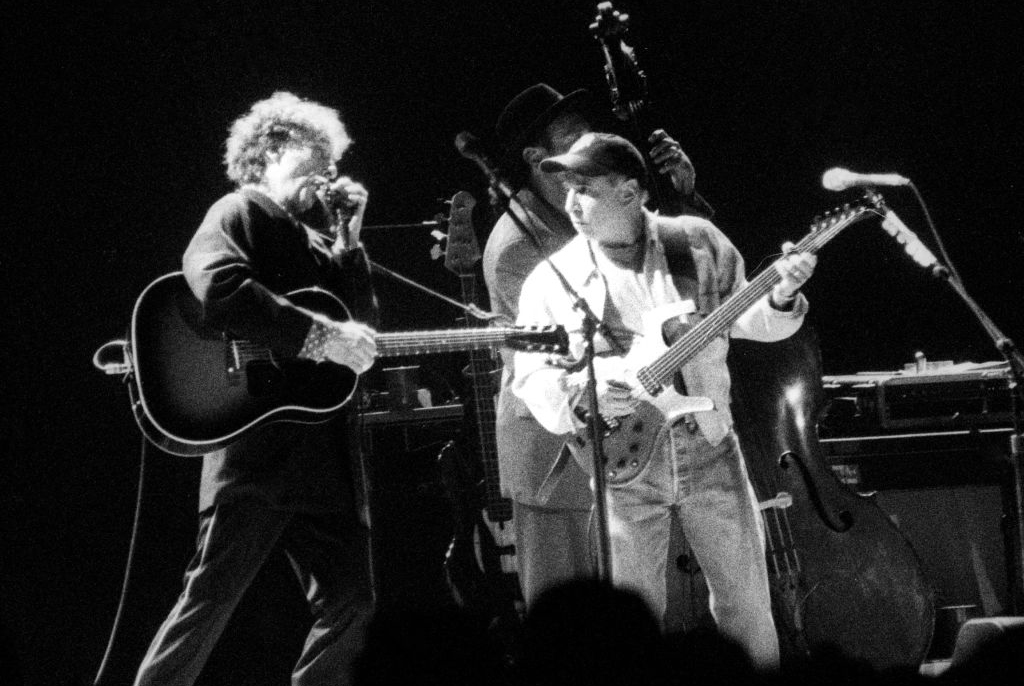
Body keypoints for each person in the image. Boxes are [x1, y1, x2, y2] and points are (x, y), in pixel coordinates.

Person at [511, 132, 817, 670]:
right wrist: (588, 395)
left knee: (746, 604)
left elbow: (752, 321)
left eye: (585, 189)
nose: (571, 203)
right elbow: (532, 378)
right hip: (624, 465)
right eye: (567, 190)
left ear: (630, 192)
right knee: (630, 619)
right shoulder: (551, 279)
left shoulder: (694, 242)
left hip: (711, 448)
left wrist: (783, 293)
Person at [134, 91, 379, 686]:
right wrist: (316, 337)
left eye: (330, 158)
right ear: (267, 153)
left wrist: (350, 242)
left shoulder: (320, 242)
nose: (324, 168)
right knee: (209, 603)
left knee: (354, 603)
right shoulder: (237, 211)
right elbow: (215, 283)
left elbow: (365, 335)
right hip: (256, 458)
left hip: (322, 462)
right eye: (309, 154)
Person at [481, 83, 709, 607]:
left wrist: (682, 199)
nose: (594, 145)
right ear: (538, 160)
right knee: (570, 626)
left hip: (620, 443)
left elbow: (686, 282)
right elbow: (585, 351)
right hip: (557, 463)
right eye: (575, 140)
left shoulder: (587, 217)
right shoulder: (519, 246)